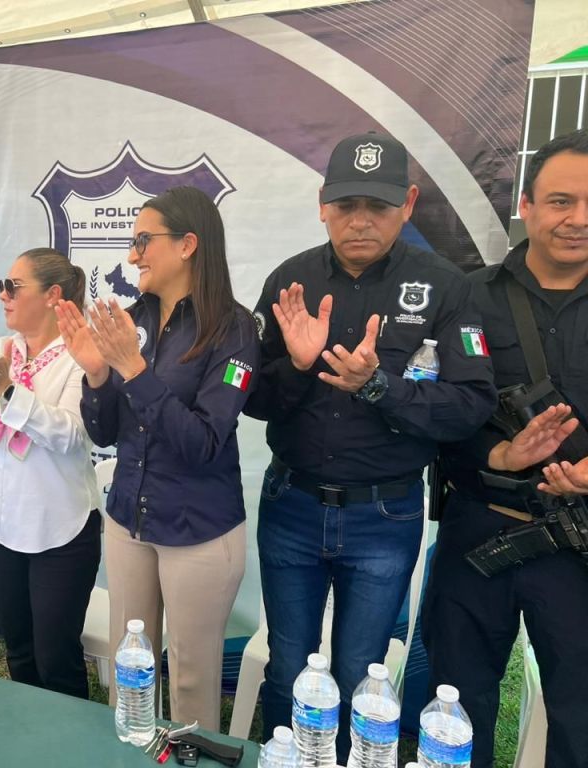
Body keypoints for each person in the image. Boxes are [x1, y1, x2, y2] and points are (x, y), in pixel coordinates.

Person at [244, 132, 496, 759]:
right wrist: (298, 365)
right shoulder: (290, 281)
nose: (360, 221)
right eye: (346, 205)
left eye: (378, 206)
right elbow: (250, 397)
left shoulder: (447, 287)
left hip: (385, 515)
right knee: (287, 665)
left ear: (407, 204)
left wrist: (377, 386)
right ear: (323, 204)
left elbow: (471, 406)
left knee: (362, 673)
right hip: (292, 505)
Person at [55, 186, 259, 731]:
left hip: (198, 529)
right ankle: (131, 754)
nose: (132, 255)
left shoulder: (234, 330)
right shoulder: (132, 320)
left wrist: (135, 371)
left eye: (143, 241)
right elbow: (105, 432)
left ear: (188, 245)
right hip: (129, 521)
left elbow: (203, 444)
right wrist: (97, 374)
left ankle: (189, 755)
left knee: (190, 679)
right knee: (132, 668)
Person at [423, 129, 588, 768]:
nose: (578, 219)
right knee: (456, 713)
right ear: (526, 205)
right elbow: (433, 408)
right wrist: (498, 457)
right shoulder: (468, 296)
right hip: (480, 530)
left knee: (579, 719)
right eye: (561, 201)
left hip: (577, 543)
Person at [0, 248, 100, 699]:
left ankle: (70, 735)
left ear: (52, 295)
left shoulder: (78, 356)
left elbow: (72, 435)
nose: (3, 296)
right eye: (2, 286)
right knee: (19, 651)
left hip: (57, 529)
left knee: (56, 657)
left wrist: (6, 390)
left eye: (13, 287)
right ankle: (30, 735)